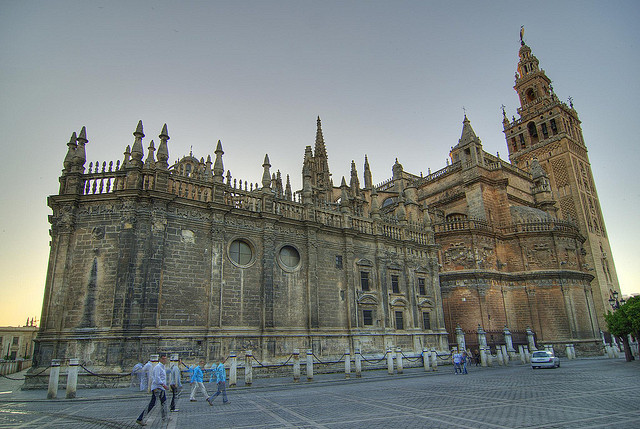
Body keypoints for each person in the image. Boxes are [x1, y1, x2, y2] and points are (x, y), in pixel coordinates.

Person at [136, 354, 169, 426]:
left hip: (161, 388)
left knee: (163, 403)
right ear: (160, 359)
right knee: (153, 404)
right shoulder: (158, 367)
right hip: (158, 388)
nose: (165, 360)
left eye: (165, 359)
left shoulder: (162, 367)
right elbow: (157, 378)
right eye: (163, 359)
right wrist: (163, 385)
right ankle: (140, 418)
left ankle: (164, 417)